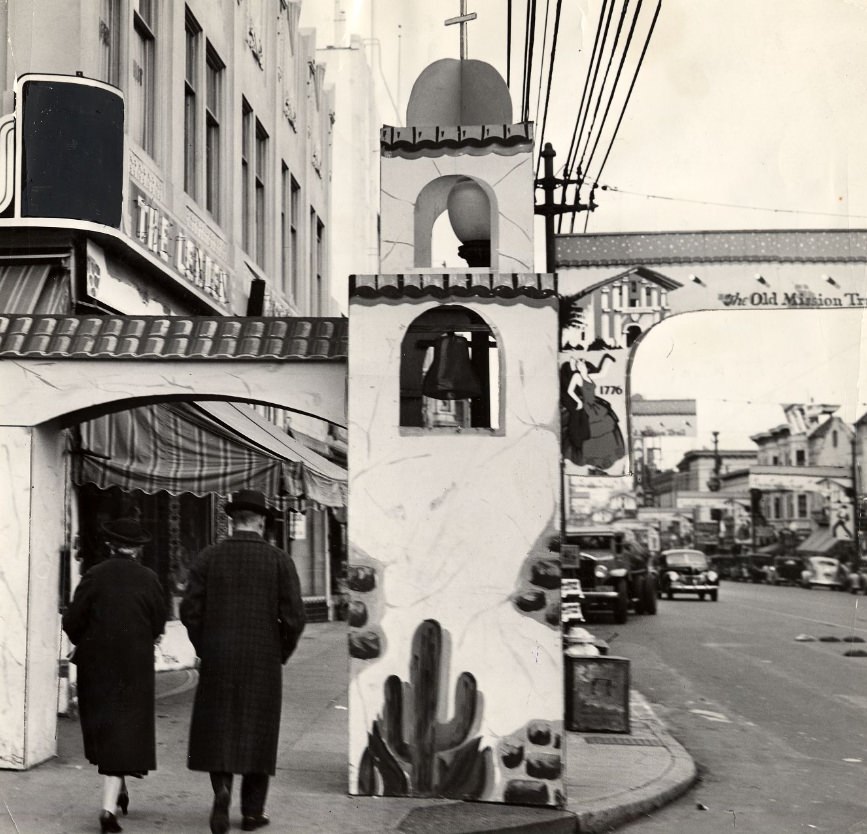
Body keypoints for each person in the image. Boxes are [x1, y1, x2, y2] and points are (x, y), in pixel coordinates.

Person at [181, 489, 306, 834]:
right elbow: (295, 617)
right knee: (259, 731)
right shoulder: (279, 560)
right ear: (262, 522)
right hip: (262, 660)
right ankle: (252, 813)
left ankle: (221, 790)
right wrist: (279, 651)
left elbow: (189, 609)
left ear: (232, 521)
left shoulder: (209, 557)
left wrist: (205, 645)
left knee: (219, 727)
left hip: (219, 656)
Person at [62, 517, 167, 834]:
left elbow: (72, 621)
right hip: (135, 667)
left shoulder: (94, 576)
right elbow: (159, 624)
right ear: (137, 549)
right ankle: (110, 807)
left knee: (108, 732)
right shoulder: (149, 579)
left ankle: (113, 800)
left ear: (110, 545)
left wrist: (89, 641)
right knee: (125, 731)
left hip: (98, 666)